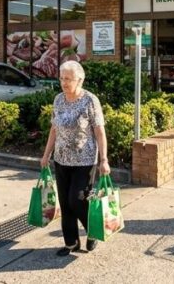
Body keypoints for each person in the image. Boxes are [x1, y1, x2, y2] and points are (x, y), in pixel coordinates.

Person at [40, 60, 110, 256]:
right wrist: (46, 155)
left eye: (68, 79)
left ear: (80, 80)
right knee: (65, 203)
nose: (64, 82)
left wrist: (104, 159)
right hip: (61, 160)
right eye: (62, 78)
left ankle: (93, 231)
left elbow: (99, 132)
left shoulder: (90, 100)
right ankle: (71, 243)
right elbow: (54, 129)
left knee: (77, 200)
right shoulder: (58, 99)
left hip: (84, 161)